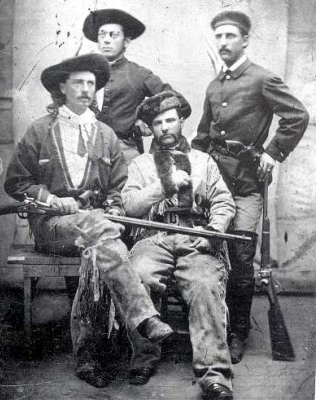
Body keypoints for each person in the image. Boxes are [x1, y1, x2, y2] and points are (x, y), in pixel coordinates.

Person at [4, 53, 173, 388]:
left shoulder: (106, 134)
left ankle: (90, 359)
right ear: (62, 87)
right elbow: (16, 182)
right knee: (103, 235)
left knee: (101, 247)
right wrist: (53, 199)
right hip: (53, 227)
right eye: (78, 82)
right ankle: (143, 319)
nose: (86, 89)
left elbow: (116, 189)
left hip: (98, 229)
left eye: (91, 84)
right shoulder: (40, 130)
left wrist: (112, 206)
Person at [191, 11, 309, 364]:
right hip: (214, 183)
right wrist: (195, 171)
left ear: (245, 40)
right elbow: (201, 137)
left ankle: (237, 332)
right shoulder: (215, 86)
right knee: (207, 249)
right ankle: (209, 324)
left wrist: (273, 152)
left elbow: (297, 116)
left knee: (242, 256)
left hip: (244, 184)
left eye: (230, 36)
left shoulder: (262, 78)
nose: (224, 42)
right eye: (219, 37)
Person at [122, 91, 236, 400]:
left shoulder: (203, 161)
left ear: (181, 121)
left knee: (204, 283)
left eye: (170, 120)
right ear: (151, 128)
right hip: (153, 238)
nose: (165, 128)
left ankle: (215, 376)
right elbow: (130, 205)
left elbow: (224, 202)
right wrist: (165, 184)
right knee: (137, 275)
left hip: (196, 234)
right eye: (157, 123)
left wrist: (213, 230)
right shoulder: (141, 164)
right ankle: (144, 358)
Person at [83, 8, 191, 163]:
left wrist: (146, 119)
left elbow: (181, 104)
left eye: (113, 35)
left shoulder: (138, 74)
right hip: (87, 151)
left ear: (126, 41)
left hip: (124, 152)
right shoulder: (83, 73)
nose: (106, 40)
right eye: (102, 34)